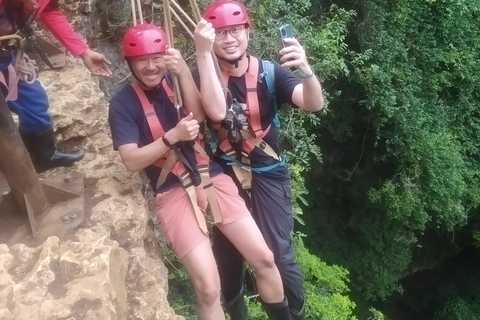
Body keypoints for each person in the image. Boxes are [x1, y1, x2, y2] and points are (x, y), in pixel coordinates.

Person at [108, 21, 293, 320]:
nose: (151, 66)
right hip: (171, 189)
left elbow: (201, 114)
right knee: (208, 288)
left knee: (265, 259)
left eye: (156, 58)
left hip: (210, 174)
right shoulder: (122, 104)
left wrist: (182, 71)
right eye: (141, 60)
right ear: (130, 63)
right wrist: (171, 137)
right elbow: (131, 160)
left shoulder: (176, 78)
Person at [199, 1, 324, 319]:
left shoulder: (271, 74)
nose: (229, 39)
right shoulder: (203, 76)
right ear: (210, 38)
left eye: (236, 30)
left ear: (247, 32)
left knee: (278, 255)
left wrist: (306, 71)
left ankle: (294, 314)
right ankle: (237, 309)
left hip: (268, 170)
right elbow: (212, 112)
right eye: (221, 33)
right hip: (225, 173)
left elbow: (312, 103)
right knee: (227, 254)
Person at [0, 0, 112, 173]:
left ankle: (44, 157)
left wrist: (84, 52)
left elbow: (49, 12)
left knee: (34, 102)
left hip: (6, 56)